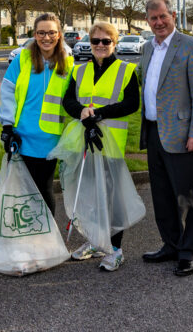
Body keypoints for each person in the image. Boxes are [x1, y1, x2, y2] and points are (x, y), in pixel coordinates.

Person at [137, 0, 193, 277]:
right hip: (154, 131)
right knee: (161, 194)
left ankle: (188, 251)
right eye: (153, 18)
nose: (158, 22)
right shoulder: (146, 48)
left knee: (185, 196)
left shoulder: (190, 46)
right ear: (148, 21)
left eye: (163, 17)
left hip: (182, 134)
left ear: (174, 15)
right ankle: (170, 244)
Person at [62, 21, 140, 272]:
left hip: (111, 144)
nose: (100, 45)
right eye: (95, 41)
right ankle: (96, 241)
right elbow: (68, 101)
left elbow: (131, 104)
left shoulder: (126, 70)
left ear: (114, 43)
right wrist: (83, 113)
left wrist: (99, 113)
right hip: (84, 140)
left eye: (106, 41)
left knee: (112, 199)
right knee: (90, 196)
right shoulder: (79, 70)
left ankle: (115, 249)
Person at [0, 13, 73, 216]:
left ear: (59, 35)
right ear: (34, 34)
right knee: (21, 191)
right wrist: (7, 126)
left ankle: (47, 239)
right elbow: (7, 92)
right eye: (41, 32)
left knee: (44, 189)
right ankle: (25, 236)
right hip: (22, 136)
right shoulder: (22, 59)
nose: (46, 38)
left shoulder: (68, 64)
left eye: (51, 32)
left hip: (50, 139)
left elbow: (73, 101)